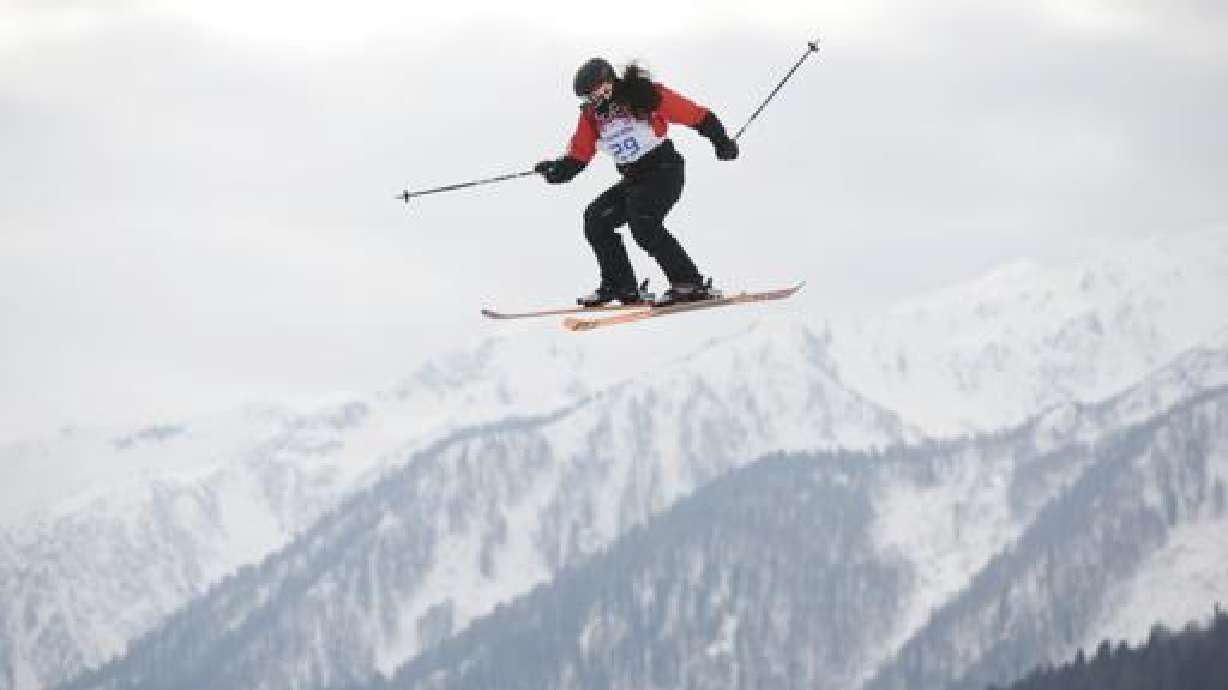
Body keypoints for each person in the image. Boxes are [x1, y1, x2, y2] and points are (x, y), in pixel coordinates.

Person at [535, 58, 740, 307]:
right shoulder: (592, 117)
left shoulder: (642, 94)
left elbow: (695, 115)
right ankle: (621, 286)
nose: (594, 99)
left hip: (663, 171)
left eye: (597, 91)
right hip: (633, 179)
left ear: (609, 80)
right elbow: (579, 154)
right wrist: (556, 171)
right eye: (588, 96)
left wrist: (721, 141)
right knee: (596, 218)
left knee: (642, 221)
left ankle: (688, 283)